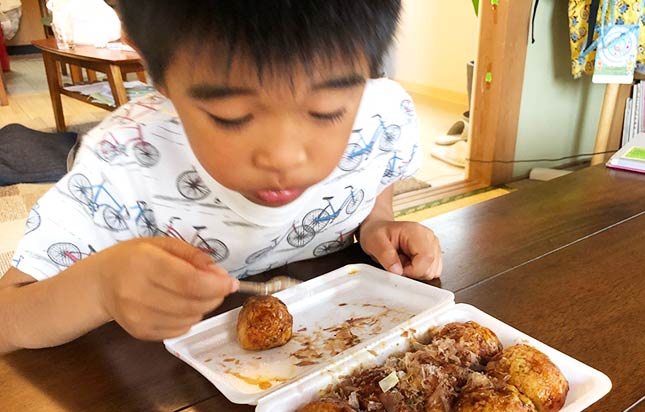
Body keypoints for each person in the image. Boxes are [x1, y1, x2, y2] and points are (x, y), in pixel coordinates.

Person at [0, 0, 442, 353]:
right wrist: (99, 287)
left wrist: (378, 220)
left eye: (327, 111)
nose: (284, 157)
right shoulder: (122, 164)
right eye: (231, 116)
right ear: (152, 63)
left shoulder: (382, 114)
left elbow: (378, 171)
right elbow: (9, 316)